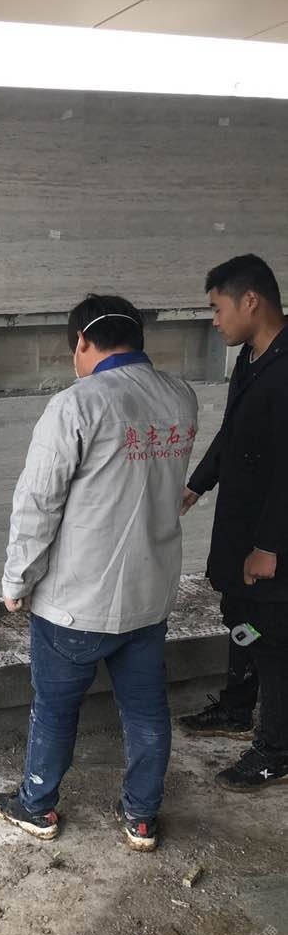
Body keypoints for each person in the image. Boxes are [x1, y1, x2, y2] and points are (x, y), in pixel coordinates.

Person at [0, 294, 198, 850]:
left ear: (82, 341)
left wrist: (17, 580)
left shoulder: (76, 404)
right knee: (147, 711)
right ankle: (141, 817)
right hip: (149, 596)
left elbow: (38, 503)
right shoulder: (180, 397)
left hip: (76, 601)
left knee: (56, 710)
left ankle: (37, 805)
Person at [180, 254, 288, 791]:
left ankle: (275, 750)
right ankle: (236, 708)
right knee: (240, 615)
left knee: (273, 638)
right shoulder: (251, 356)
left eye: (217, 308)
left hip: (273, 533)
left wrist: (269, 545)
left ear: (250, 300)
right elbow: (233, 431)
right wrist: (197, 484)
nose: (215, 320)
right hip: (241, 522)